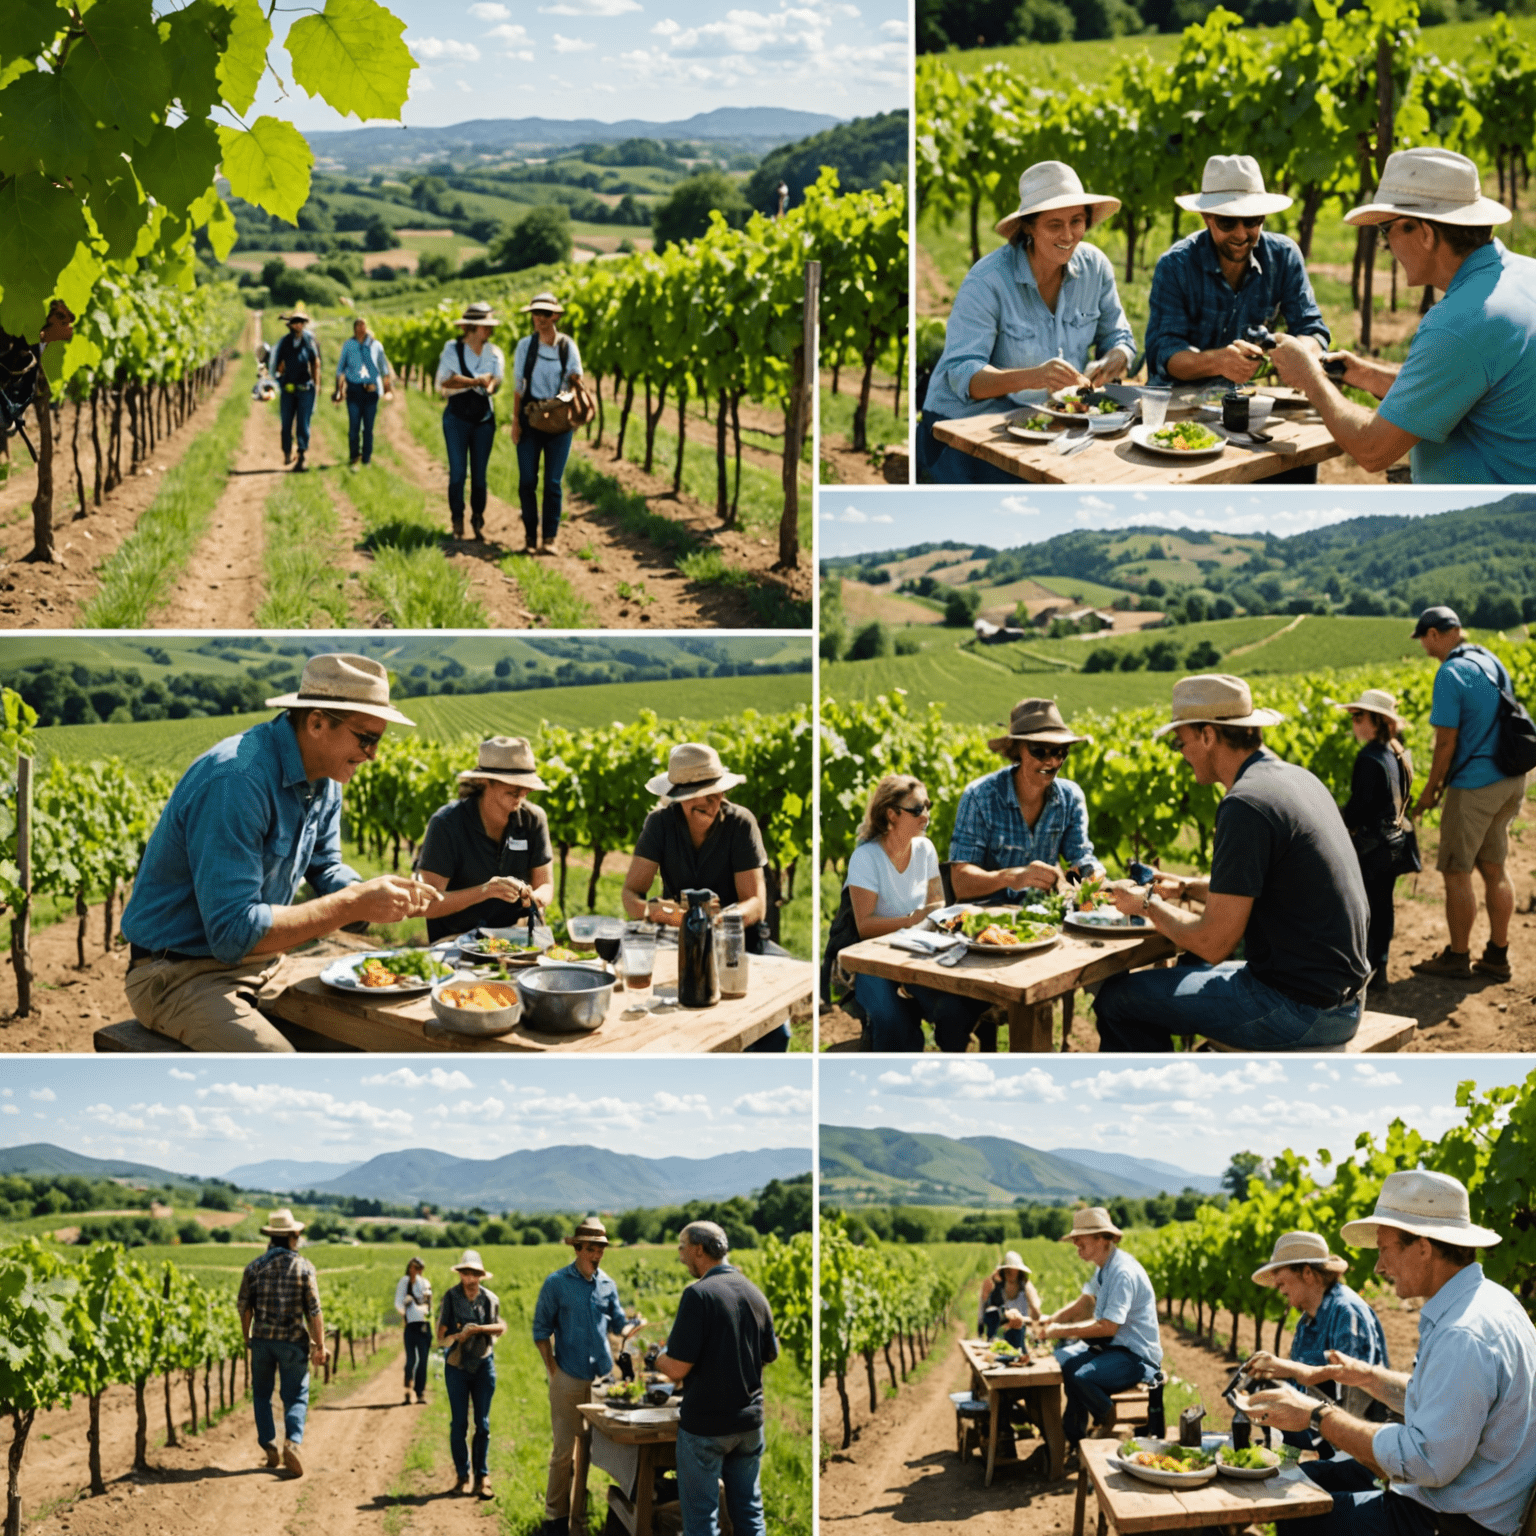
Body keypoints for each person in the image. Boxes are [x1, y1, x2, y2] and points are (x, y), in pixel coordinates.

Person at [118, 653, 438, 1050]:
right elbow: (233, 933)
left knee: (378, 1034)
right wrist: (352, 903)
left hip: (265, 962)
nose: (373, 754)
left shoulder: (325, 779)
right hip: (178, 975)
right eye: (366, 738)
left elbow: (326, 866)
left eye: (378, 739)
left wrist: (373, 892)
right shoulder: (237, 779)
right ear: (317, 722)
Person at [1246, 1170, 1536, 1536]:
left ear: (1423, 1247)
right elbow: (1442, 1400)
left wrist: (1318, 1416)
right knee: (1300, 1490)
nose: (1379, 1266)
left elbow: (1425, 1461)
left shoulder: (1462, 1333)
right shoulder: (1491, 1302)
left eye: (1384, 1249)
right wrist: (1366, 1376)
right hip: (1462, 1506)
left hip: (1450, 1522)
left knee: (1297, 1517)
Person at [1093, 674, 1370, 1051]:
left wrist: (1144, 904)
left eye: (1181, 742)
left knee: (1119, 998)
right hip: (1344, 1000)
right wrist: (1187, 887)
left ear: (1208, 736)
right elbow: (1270, 887)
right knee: (1182, 977)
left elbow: (1213, 942)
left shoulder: (1245, 803)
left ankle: (1159, 1103)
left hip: (1298, 1010)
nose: (1181, 753)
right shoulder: (1295, 779)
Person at [1270, 148, 1536, 483]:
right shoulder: (1524, 275)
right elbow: (1461, 385)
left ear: (1424, 233)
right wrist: (1366, 375)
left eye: (1386, 231)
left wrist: (1308, 376)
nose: (1386, 247)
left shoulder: (1459, 323)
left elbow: (1372, 450)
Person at [918, 162, 1134, 484]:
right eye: (1054, 224)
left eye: (1077, 221)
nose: (1068, 235)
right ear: (1029, 227)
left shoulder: (1095, 268)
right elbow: (963, 374)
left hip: (1040, 422)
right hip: (963, 428)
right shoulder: (988, 280)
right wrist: (1032, 377)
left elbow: (1118, 336)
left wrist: (1113, 360)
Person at [622, 742, 791, 1051]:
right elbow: (631, 894)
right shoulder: (660, 825)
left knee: (775, 1029)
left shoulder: (740, 823)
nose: (713, 803)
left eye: (718, 792)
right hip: (679, 940)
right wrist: (658, 913)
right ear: (677, 796)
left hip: (739, 941)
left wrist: (720, 919)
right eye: (702, 796)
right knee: (667, 1015)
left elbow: (756, 904)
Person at [1407, 606, 1527, 982]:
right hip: (1510, 776)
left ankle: (1458, 957)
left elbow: (1445, 744)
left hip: (1474, 784)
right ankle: (1497, 955)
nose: (1424, 645)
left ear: (1436, 634)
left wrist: (1429, 794)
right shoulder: (1489, 659)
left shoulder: (1450, 673)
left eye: (1424, 637)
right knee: (1495, 868)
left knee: (1457, 871)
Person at [842, 773, 985, 1051]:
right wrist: (913, 920)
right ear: (892, 814)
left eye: (928, 806)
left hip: (920, 954)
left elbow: (937, 906)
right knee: (893, 1021)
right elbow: (865, 927)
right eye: (917, 809)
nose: (926, 816)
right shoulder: (866, 858)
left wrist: (959, 917)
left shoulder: (925, 849)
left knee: (954, 1009)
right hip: (874, 961)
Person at [654, 1221, 778, 1536]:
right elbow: (768, 1355)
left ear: (698, 1249)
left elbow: (677, 1368)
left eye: (682, 1248)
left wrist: (654, 1358)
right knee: (750, 1514)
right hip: (749, 1424)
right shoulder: (755, 1293)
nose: (680, 1256)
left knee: (701, 1523)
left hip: (707, 1427)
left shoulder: (698, 1295)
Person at [532, 1218, 642, 1536]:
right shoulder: (556, 1283)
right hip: (568, 1375)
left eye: (601, 1249)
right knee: (564, 1452)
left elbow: (618, 1322)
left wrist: (632, 1328)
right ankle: (555, 1520)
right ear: (578, 1248)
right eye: (591, 1249)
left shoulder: (607, 1284)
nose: (597, 1255)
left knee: (602, 1452)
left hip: (602, 1381)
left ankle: (581, 1517)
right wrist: (552, 1369)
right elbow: (541, 1330)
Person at [1240, 1230, 1390, 1455]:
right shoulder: (1307, 1321)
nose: (1279, 1290)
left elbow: (1353, 1396)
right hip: (1329, 1444)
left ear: (1307, 1273)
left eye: (1282, 1282)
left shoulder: (1347, 1313)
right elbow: (1302, 1392)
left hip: (1361, 1454)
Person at [949, 698, 1104, 904]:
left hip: (1043, 918)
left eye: (1060, 752)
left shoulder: (1070, 797)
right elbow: (960, 883)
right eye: (1040, 751)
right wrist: (1013, 877)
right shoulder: (980, 797)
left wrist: (1092, 873)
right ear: (1017, 749)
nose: (1052, 762)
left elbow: (1081, 856)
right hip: (987, 920)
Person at [1030, 1208, 1162, 1447]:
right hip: (1114, 1349)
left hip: (1136, 1356)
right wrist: (1053, 1320)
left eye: (1081, 1242)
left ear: (1102, 1238)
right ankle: (1075, 1436)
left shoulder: (1122, 1272)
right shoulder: (1105, 1267)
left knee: (1081, 1377)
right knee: (1068, 1366)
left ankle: (1108, 1420)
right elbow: (1085, 1302)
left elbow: (1108, 1327)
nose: (1077, 1246)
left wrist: (1060, 1331)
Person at [417, 737, 555, 942]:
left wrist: (536, 898)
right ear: (485, 780)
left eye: (526, 785)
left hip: (514, 940)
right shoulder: (447, 824)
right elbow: (429, 905)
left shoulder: (533, 820)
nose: (522, 792)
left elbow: (545, 884)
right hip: (455, 941)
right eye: (513, 784)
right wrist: (486, 891)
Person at [237, 1208, 328, 1478]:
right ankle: (292, 1443)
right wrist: (320, 1344)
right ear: (291, 1236)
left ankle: (269, 1446)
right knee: (296, 1394)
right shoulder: (304, 1267)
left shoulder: (253, 1267)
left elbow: (244, 1308)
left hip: (263, 1340)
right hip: (292, 1341)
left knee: (262, 1394)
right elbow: (314, 1310)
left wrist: (247, 1338)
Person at [1336, 689, 1417, 991]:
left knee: (1365, 909)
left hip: (1372, 848)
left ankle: (1365, 972)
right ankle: (1379, 968)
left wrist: (1334, 816)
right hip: (1394, 843)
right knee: (1383, 907)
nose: (1354, 723)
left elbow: (1359, 808)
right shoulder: (1396, 750)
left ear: (1378, 720)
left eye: (1359, 717)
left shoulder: (1369, 757)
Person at [510, 292, 584, 556]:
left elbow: (574, 385)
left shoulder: (567, 347)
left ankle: (549, 538)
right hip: (530, 419)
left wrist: (553, 404)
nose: (539, 319)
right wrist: (516, 422)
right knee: (527, 480)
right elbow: (519, 387)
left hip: (560, 422)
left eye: (544, 314)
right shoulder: (525, 347)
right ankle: (530, 536)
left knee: (553, 482)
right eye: (535, 314)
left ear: (555, 316)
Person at [438, 1248, 506, 1499]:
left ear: (480, 1275)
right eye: (466, 1273)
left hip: (483, 1364)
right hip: (457, 1367)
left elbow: (500, 1327)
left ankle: (482, 1477)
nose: (470, 1278)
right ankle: (461, 1475)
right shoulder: (451, 1297)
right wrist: (458, 1336)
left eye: (474, 1273)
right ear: (461, 1274)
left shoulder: (490, 1299)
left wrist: (476, 1331)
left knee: (483, 1424)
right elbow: (441, 1335)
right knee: (459, 1424)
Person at [437, 300, 504, 541]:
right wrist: (476, 382)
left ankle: (477, 519)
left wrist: (490, 385)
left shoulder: (494, 353)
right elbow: (446, 380)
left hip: (483, 419)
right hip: (456, 418)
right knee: (457, 473)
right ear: (472, 328)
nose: (490, 330)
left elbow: (497, 381)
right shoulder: (452, 350)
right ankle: (457, 519)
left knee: (479, 475)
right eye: (485, 326)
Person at [332, 316, 394, 469]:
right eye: (358, 325)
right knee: (354, 426)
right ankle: (354, 456)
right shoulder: (348, 345)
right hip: (353, 390)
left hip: (371, 391)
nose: (361, 328)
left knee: (368, 427)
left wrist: (388, 390)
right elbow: (340, 369)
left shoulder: (376, 346)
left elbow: (384, 370)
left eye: (363, 325)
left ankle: (366, 458)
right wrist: (338, 391)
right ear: (354, 328)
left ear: (367, 328)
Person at [272, 308, 320, 471]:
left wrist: (316, 383)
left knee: (303, 423)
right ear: (291, 325)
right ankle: (287, 451)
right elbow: (278, 365)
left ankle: (301, 455)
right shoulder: (285, 342)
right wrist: (281, 375)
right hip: (288, 388)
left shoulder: (309, 341)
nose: (299, 325)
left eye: (301, 322)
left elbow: (315, 362)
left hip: (305, 388)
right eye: (296, 322)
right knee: (286, 422)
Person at [979, 1251, 1043, 1347]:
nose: (1010, 1273)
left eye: (1013, 1270)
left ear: (1019, 1271)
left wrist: (1033, 1306)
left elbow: (1036, 1315)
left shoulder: (1026, 1286)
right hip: (1001, 1332)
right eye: (1007, 1270)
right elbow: (986, 1311)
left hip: (1023, 1330)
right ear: (1003, 1271)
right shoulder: (997, 1288)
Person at [394, 1255, 433, 1406]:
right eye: (416, 1268)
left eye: (421, 1269)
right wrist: (404, 1308)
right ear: (411, 1268)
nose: (419, 1271)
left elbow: (429, 1305)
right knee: (411, 1361)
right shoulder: (404, 1282)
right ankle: (407, 1392)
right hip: (411, 1325)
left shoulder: (425, 1283)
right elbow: (398, 1303)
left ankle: (420, 1392)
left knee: (423, 1360)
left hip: (423, 1325)